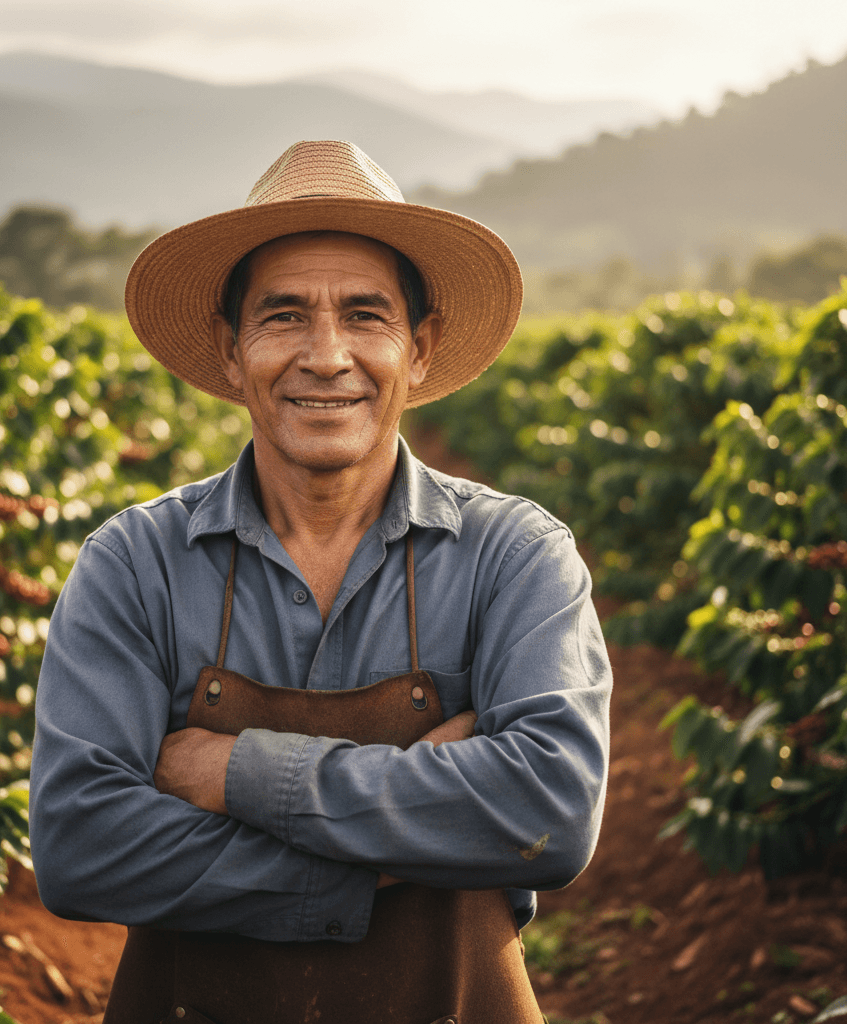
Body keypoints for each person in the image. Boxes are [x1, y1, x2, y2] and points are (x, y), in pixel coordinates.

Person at [30, 140, 612, 1024]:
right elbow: (81, 847)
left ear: (419, 349)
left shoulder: (515, 555)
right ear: (232, 352)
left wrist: (233, 773)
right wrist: (410, 837)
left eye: (366, 316)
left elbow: (550, 811)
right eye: (285, 316)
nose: (327, 354)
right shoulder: (135, 563)